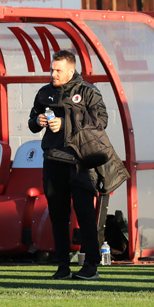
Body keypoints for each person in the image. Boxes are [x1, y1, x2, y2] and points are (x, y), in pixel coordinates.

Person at [28, 49, 108, 281]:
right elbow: (32, 121)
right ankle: (63, 266)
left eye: (58, 70)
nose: (53, 74)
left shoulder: (87, 92)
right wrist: (37, 120)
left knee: (84, 215)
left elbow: (101, 121)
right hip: (53, 161)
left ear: (71, 71)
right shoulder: (44, 93)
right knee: (58, 217)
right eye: (52, 69)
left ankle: (91, 265)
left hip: (80, 162)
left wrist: (65, 122)